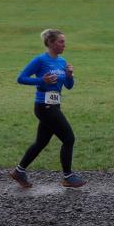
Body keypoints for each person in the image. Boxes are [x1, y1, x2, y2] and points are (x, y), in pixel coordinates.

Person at [10, 29, 86, 189]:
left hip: (54, 105)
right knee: (69, 138)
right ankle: (68, 177)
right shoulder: (40, 60)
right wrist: (41, 80)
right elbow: (21, 78)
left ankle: (19, 171)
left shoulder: (62, 61)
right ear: (51, 43)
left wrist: (69, 76)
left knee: (41, 142)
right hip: (44, 106)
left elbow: (69, 86)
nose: (64, 45)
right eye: (61, 41)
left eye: (64, 42)